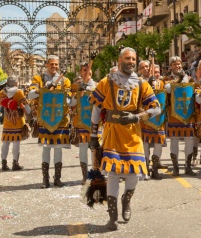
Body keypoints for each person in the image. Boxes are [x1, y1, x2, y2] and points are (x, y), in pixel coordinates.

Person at [88, 47, 160, 230]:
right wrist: (93, 135)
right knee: (113, 173)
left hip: (133, 132)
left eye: (134, 59)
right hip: (112, 132)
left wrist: (138, 117)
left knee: (134, 172)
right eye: (128, 58)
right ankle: (112, 213)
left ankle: (126, 200)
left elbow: (156, 108)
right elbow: (96, 109)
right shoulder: (107, 82)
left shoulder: (142, 83)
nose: (131, 62)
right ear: (120, 61)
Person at [28, 55, 71, 188]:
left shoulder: (65, 81)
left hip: (60, 119)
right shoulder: (38, 79)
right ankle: (45, 179)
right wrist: (45, 87)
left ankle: (57, 178)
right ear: (47, 65)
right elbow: (30, 94)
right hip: (45, 118)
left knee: (58, 149)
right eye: (51, 64)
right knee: (46, 149)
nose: (54, 66)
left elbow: (68, 99)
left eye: (56, 64)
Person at [163, 56, 196, 176]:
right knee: (174, 140)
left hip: (188, 113)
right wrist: (177, 81)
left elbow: (194, 91)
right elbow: (167, 90)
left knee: (189, 140)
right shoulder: (167, 79)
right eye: (175, 64)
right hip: (174, 113)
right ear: (171, 66)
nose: (178, 66)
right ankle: (176, 166)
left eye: (179, 64)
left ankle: (188, 165)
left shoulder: (189, 79)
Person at [69, 62, 96, 184]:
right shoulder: (77, 86)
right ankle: (85, 175)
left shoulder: (98, 85)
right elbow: (71, 103)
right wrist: (77, 93)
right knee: (83, 149)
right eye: (84, 70)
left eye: (89, 70)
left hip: (95, 122)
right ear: (81, 72)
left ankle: (95, 174)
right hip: (81, 122)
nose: (87, 72)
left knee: (95, 149)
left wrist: (89, 89)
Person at [141, 64, 168, 180]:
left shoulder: (162, 84)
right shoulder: (140, 83)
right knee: (145, 145)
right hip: (146, 117)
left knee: (158, 144)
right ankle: (145, 169)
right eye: (153, 71)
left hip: (158, 119)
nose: (155, 73)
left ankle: (155, 168)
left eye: (157, 71)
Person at [0, 76, 30, 171]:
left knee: (6, 142)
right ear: (15, 83)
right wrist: (29, 112)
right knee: (16, 142)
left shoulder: (2, 92)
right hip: (17, 120)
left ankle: (4, 163)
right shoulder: (18, 92)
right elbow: (25, 106)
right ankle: (15, 163)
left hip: (7, 120)